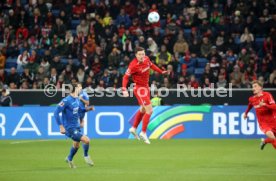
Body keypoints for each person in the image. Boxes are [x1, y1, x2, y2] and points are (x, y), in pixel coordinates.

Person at [122, 47, 168, 144]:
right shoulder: (133, 65)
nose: (142, 56)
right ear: (136, 55)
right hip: (139, 89)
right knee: (150, 110)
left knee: (143, 109)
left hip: (146, 88)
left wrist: (161, 72)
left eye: (143, 54)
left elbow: (152, 65)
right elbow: (125, 77)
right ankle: (143, 132)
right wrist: (124, 89)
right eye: (139, 54)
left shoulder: (146, 59)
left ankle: (134, 128)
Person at [54, 83, 94, 168]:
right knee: (86, 140)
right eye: (79, 87)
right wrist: (61, 126)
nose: (81, 89)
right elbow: (56, 112)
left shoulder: (77, 99)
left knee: (76, 145)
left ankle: (69, 158)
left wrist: (89, 109)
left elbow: (81, 110)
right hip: (69, 128)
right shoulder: (66, 100)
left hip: (76, 126)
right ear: (75, 89)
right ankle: (86, 156)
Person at [244, 80, 276, 150]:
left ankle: (265, 141)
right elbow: (250, 105)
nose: (253, 88)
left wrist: (265, 105)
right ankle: (266, 141)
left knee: (272, 138)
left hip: (273, 121)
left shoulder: (267, 95)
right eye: (252, 87)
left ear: (260, 87)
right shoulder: (252, 99)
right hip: (263, 123)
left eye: (255, 86)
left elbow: (274, 107)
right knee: (272, 137)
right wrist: (246, 113)